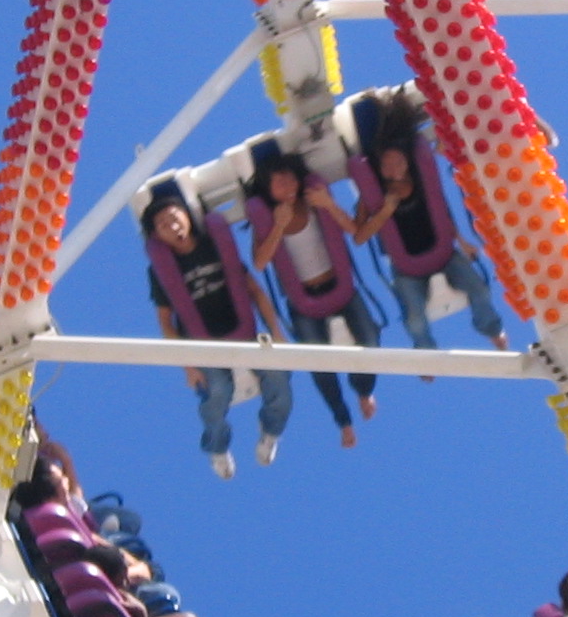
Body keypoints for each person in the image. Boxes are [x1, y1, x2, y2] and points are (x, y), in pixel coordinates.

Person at [340, 89, 508, 355]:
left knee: (479, 289)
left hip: (444, 253)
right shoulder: (372, 195)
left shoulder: (422, 178)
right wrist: (385, 211)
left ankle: (492, 330)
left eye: (398, 162)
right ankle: (426, 352)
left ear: (407, 161)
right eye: (387, 165)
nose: (393, 169)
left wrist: (462, 242)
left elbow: (441, 212)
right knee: (414, 318)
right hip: (406, 268)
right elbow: (360, 238)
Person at [145, 193, 294, 479]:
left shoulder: (215, 244)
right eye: (163, 225)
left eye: (174, 218)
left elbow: (255, 291)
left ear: (188, 217)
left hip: (243, 333)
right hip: (205, 348)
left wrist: (276, 332)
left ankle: (270, 432)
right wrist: (188, 366)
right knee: (216, 394)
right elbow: (166, 321)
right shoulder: (160, 269)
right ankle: (217, 448)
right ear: (157, 236)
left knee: (280, 382)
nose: (172, 226)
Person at [248, 154, 381, 447]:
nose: (288, 186)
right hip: (305, 302)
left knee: (371, 338)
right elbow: (259, 262)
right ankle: (343, 421)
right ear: (269, 190)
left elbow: (355, 230)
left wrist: (329, 204)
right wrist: (278, 226)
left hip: (339, 287)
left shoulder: (313, 201)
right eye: (279, 183)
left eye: (290, 179)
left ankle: (363, 390)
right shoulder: (268, 219)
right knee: (318, 364)